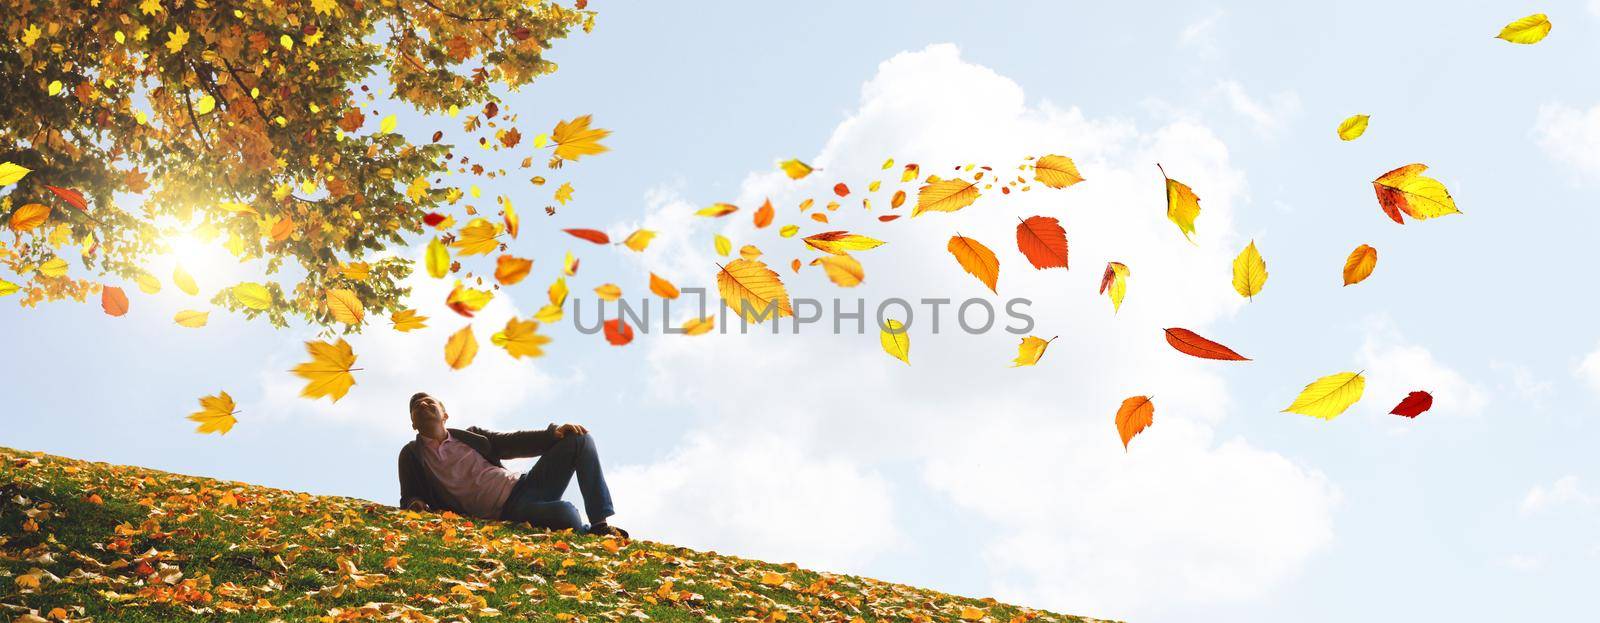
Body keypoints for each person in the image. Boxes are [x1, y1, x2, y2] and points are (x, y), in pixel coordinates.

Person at [397, 392, 627, 537]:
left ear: (445, 415)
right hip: (507, 511)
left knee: (579, 439)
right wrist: (416, 503)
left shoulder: (471, 436)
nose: (423, 404)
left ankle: (599, 524)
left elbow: (509, 441)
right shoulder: (412, 455)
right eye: (416, 405)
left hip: (524, 485)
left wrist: (552, 434)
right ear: (413, 424)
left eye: (429, 401)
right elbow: (410, 494)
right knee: (566, 512)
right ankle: (583, 530)